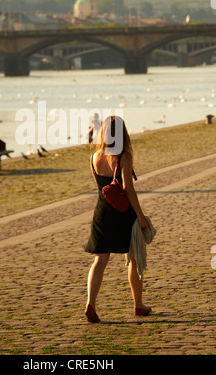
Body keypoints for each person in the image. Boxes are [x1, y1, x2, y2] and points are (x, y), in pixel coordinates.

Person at [84, 115, 151, 323]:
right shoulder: (123, 155)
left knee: (100, 260)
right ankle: (138, 305)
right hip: (123, 214)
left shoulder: (95, 156)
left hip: (102, 213)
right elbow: (128, 190)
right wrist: (141, 217)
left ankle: (90, 303)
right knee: (133, 257)